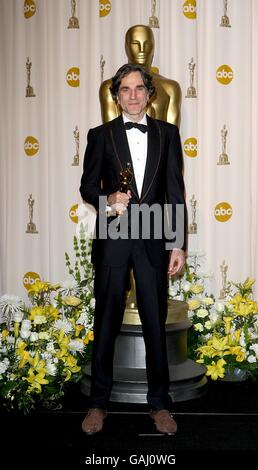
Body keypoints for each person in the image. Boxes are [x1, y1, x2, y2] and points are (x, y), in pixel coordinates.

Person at [80, 63, 187, 435]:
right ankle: (98, 403)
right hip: (114, 232)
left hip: (154, 234)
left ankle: (160, 405)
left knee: (154, 321)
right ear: (116, 96)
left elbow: (175, 191)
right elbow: (87, 186)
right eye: (125, 89)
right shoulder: (100, 135)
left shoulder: (168, 135)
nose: (132, 95)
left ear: (149, 92)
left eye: (139, 88)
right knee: (106, 319)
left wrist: (177, 243)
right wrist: (107, 198)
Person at [100, 24, 181, 126]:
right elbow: (110, 134)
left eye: (147, 44)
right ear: (127, 47)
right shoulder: (109, 87)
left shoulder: (171, 88)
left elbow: (171, 135)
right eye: (135, 44)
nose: (141, 50)